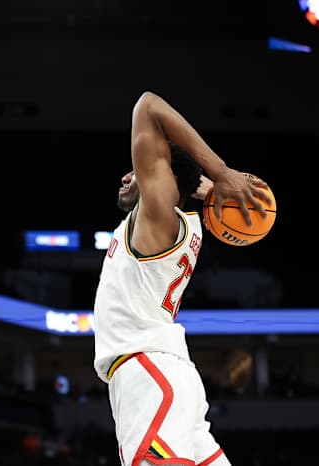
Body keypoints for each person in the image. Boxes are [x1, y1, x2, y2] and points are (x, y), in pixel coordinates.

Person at [92, 91, 270, 466]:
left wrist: (221, 173)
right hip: (174, 378)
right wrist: (202, 185)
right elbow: (184, 178)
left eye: (139, 167)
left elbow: (147, 104)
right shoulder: (182, 224)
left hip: (146, 373)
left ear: (164, 175)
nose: (128, 175)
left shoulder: (158, 215)